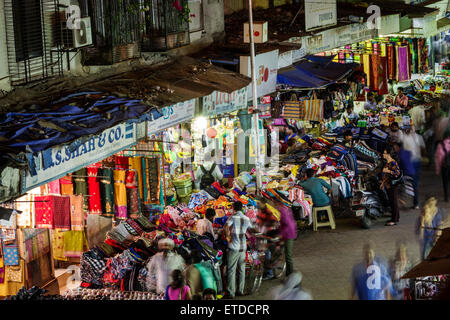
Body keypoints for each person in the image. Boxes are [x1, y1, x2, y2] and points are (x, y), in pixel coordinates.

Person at [223, 201, 255, 299]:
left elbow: (225, 227)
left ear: (234, 208)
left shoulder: (232, 217)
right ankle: (240, 290)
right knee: (242, 269)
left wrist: (228, 237)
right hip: (243, 247)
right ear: (241, 208)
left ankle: (231, 293)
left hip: (234, 247)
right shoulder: (246, 218)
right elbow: (252, 229)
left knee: (231, 270)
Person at [400, 125, 425, 209]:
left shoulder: (405, 138)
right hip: (417, 161)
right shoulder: (419, 137)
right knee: (414, 182)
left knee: (408, 181)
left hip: (410, 162)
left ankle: (411, 202)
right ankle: (415, 202)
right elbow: (423, 148)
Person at [274, 197, 297, 278]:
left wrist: (280, 234)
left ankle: (290, 274)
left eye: (275, 204)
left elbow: (288, 225)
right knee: (279, 249)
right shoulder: (285, 209)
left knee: (288, 255)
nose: (275, 206)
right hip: (287, 234)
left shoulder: (283, 211)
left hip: (289, 235)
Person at [380, 146, 402, 226]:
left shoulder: (393, 162)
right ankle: (396, 217)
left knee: (393, 202)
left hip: (393, 186)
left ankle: (394, 220)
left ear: (389, 154)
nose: (383, 154)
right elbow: (386, 176)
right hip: (388, 185)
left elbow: (397, 173)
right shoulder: (388, 162)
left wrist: (388, 170)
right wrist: (383, 184)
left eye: (385, 153)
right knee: (392, 202)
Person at [435, 131, 450, 202]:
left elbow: (438, 158)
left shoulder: (440, 145)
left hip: (445, 167)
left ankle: (446, 197)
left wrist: (437, 170)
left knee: (445, 182)